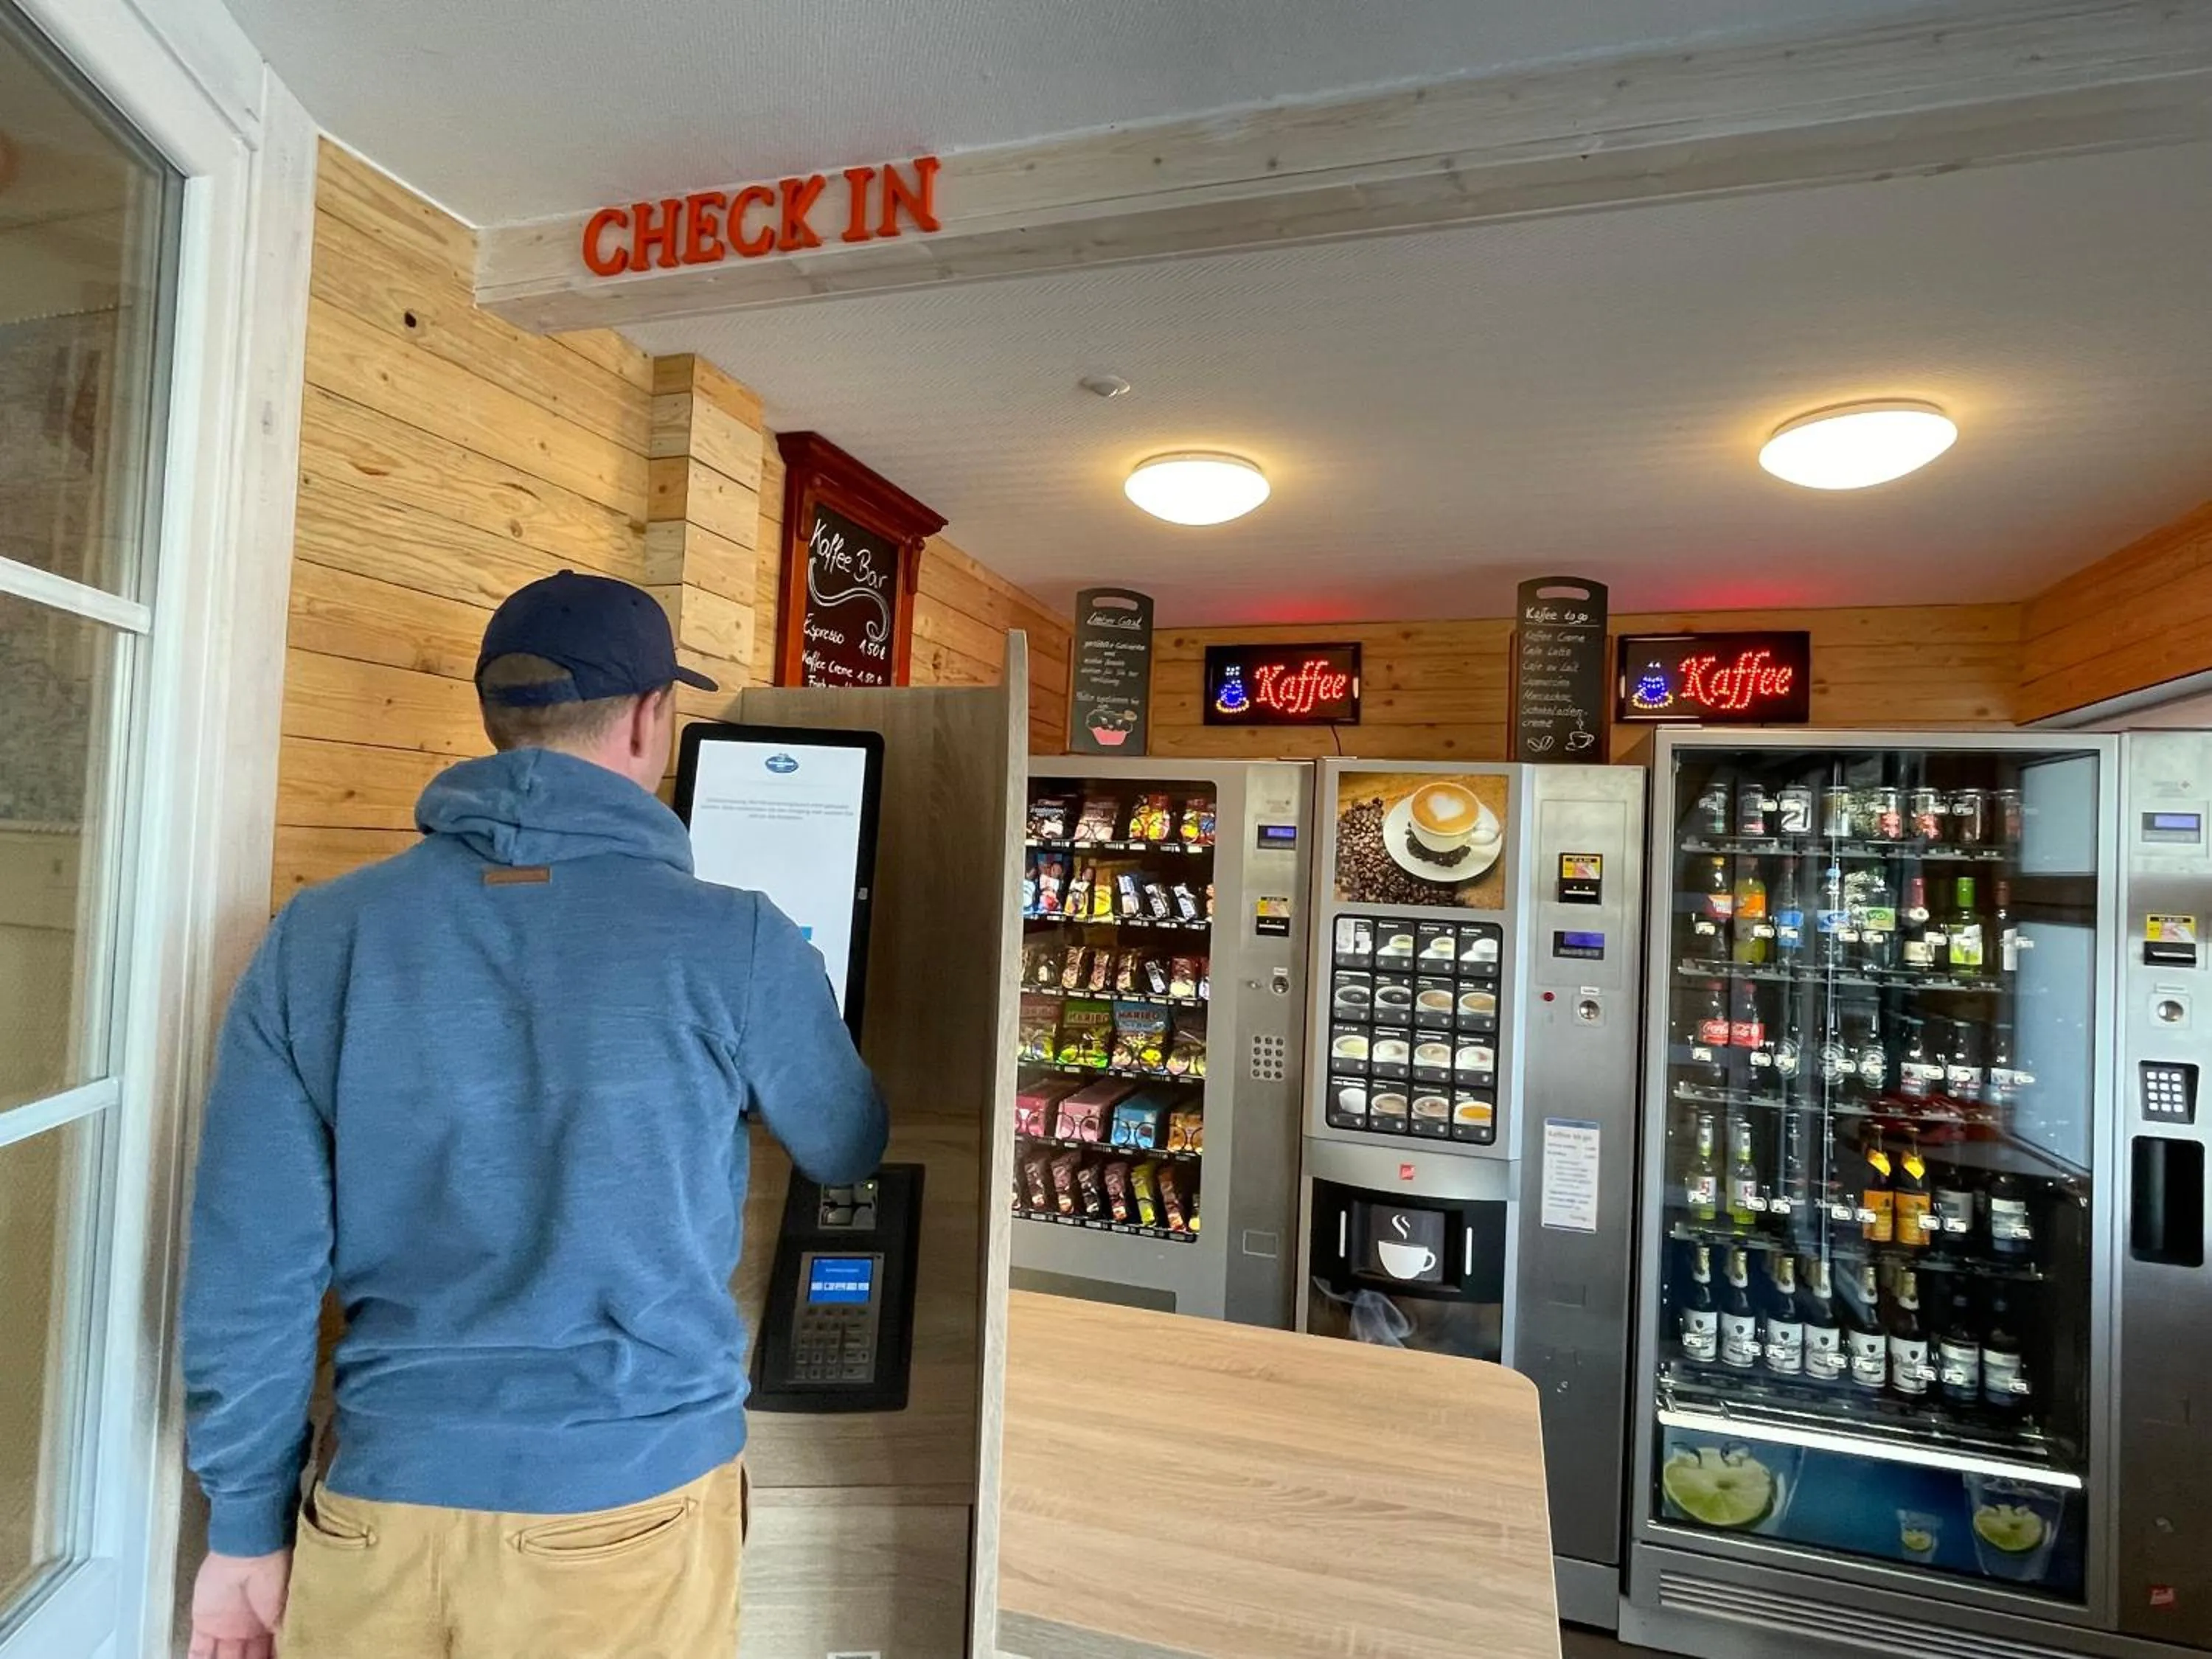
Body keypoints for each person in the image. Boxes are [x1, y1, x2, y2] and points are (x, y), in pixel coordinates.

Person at [181, 571, 887, 1659]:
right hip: (633, 1509)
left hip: (380, 1505)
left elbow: (252, 1267)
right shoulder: (739, 939)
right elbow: (847, 1143)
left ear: (493, 716)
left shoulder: (316, 936)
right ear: (653, 718)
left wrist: (241, 1529)